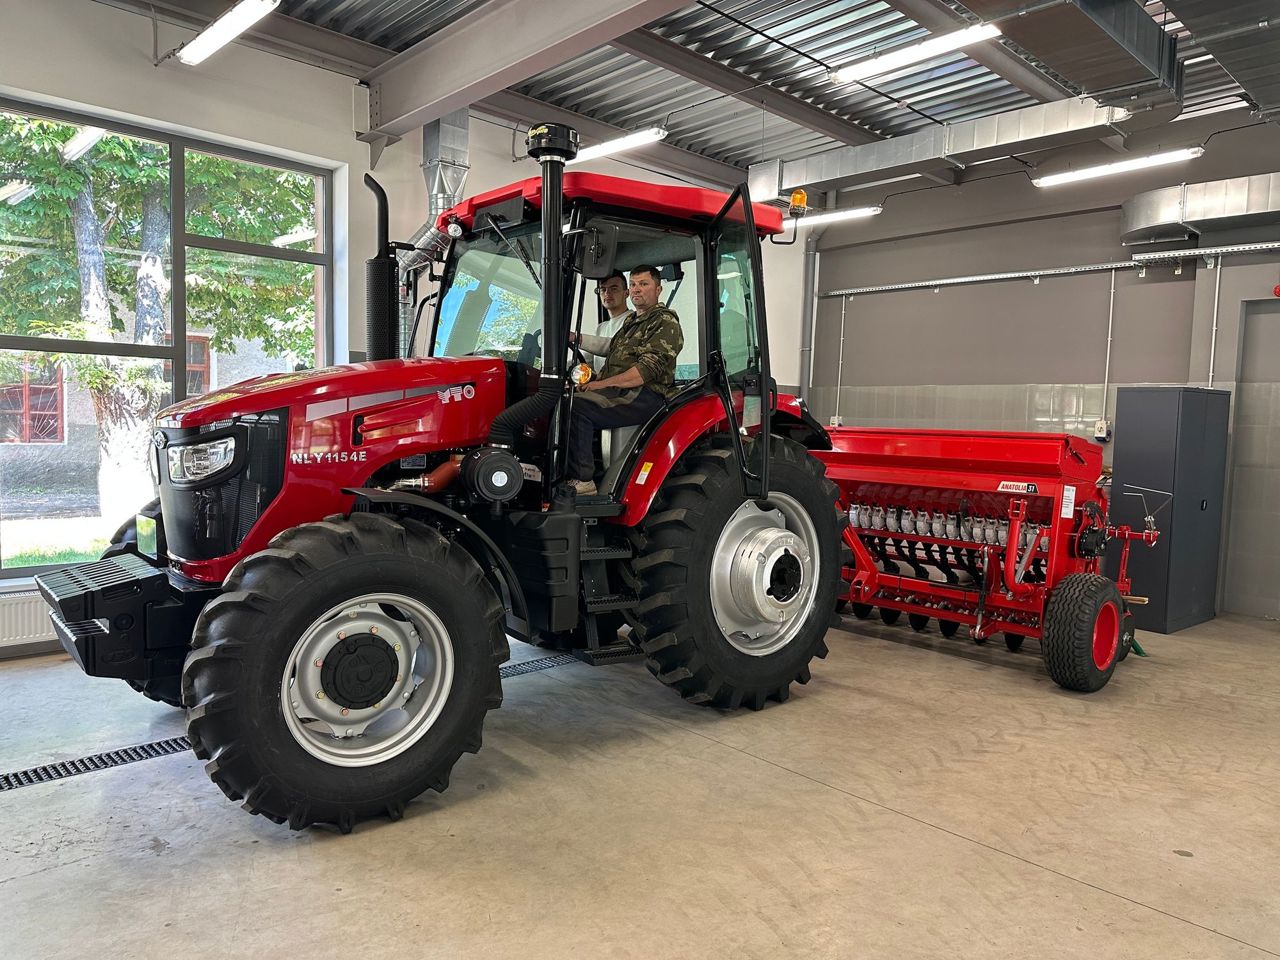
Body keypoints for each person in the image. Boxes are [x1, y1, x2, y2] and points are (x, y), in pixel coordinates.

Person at [567, 264, 683, 496]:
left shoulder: (664, 322)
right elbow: (611, 355)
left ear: (658, 289)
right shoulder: (630, 325)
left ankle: (583, 482)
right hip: (625, 392)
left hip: (645, 394)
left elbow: (642, 372)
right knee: (564, 398)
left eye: (644, 284)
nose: (637, 289)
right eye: (633, 284)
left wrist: (599, 385)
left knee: (577, 407)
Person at [574, 270, 630, 372]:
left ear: (626, 293)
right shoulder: (601, 327)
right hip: (602, 384)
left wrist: (576, 338)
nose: (607, 293)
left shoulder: (633, 320)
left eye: (614, 289)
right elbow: (591, 358)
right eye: (603, 289)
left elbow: (613, 347)